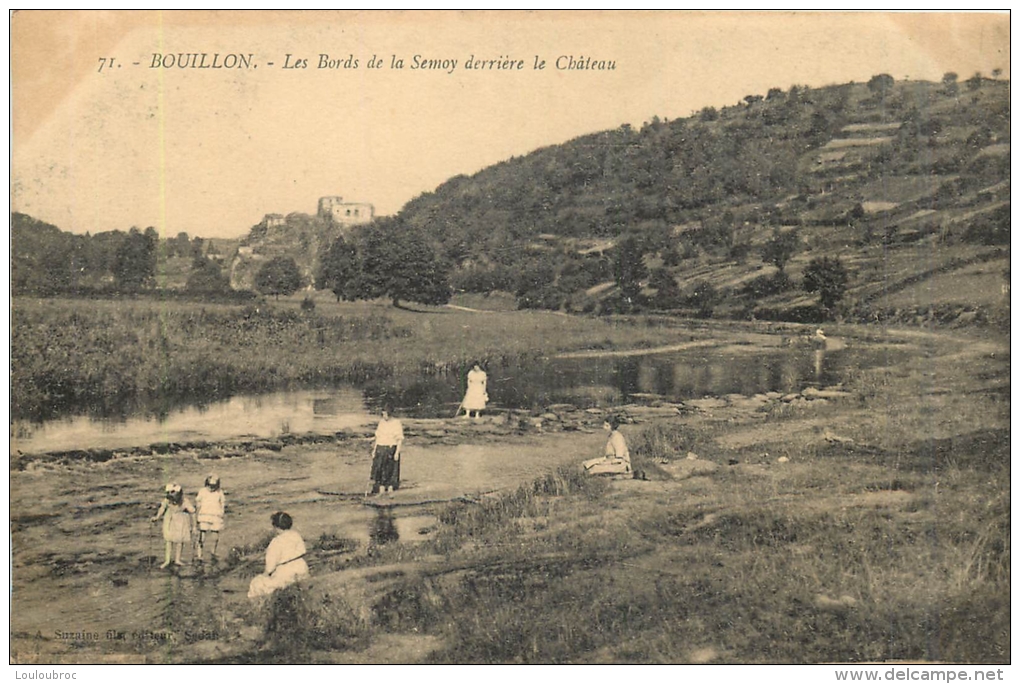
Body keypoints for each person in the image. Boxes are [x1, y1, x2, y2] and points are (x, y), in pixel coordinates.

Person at [247, 511, 310, 599]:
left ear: (276, 527)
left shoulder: (276, 542)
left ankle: (259, 607)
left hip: (286, 575)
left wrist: (264, 575)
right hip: (302, 570)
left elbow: (269, 568)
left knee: (256, 583)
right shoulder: (296, 535)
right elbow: (303, 551)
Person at [150, 483, 197, 569]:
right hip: (170, 520)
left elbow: (193, 512)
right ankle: (167, 560)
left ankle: (177, 559)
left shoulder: (185, 501)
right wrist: (157, 517)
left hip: (181, 521)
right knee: (169, 540)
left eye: (175, 500)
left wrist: (194, 526)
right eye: (172, 500)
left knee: (179, 540)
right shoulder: (167, 500)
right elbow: (162, 508)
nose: (173, 502)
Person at [369, 407, 404, 494]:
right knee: (380, 468)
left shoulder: (396, 423)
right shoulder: (381, 422)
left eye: (385, 414)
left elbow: (399, 439)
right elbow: (378, 437)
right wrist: (374, 450)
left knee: (391, 469)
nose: (383, 416)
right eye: (382, 414)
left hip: (391, 448)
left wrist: (397, 452)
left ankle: (390, 487)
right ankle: (381, 487)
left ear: (389, 413)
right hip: (381, 448)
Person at [195, 473, 225, 562]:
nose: (211, 488)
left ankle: (213, 552)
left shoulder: (219, 492)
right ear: (206, 484)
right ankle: (199, 554)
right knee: (202, 536)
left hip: (216, 515)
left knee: (215, 536)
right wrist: (197, 515)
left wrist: (222, 512)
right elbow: (198, 503)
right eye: (210, 486)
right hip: (204, 515)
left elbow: (222, 503)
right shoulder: (202, 491)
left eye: (214, 486)